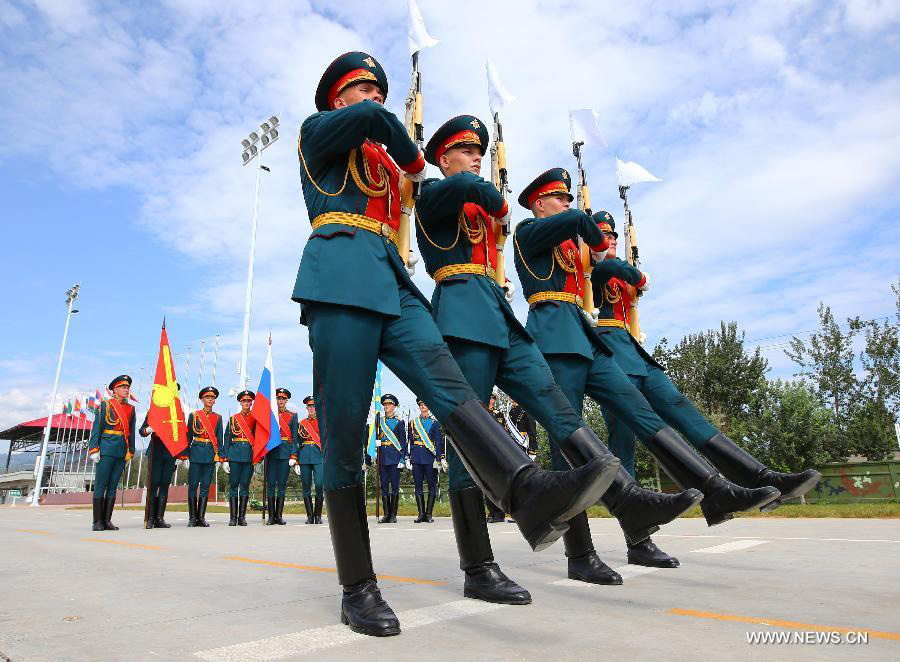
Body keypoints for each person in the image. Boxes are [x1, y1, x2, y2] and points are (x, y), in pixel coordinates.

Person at [293, 52, 615, 636]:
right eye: (359, 87)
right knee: (343, 430)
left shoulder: (384, 162)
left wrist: (414, 169)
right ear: (337, 98)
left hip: (394, 282)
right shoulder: (318, 132)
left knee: (454, 390)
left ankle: (528, 488)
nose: (371, 94)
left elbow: (442, 194)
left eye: (376, 87)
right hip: (339, 275)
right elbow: (390, 135)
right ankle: (357, 587)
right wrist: (416, 159)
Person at [415, 118, 700, 597]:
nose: (475, 157)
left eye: (479, 151)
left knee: (561, 413)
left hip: (501, 319)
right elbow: (465, 188)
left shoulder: (480, 209)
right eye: (466, 150)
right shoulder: (433, 196)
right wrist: (492, 191)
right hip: (462, 319)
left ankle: (624, 506)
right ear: (442, 159)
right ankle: (477, 566)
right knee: (471, 440)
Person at [513, 167, 781, 578]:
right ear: (538, 202)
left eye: (569, 197)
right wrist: (594, 233)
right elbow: (582, 229)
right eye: (559, 197)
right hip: (553, 337)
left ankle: (718, 490)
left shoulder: (570, 242)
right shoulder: (527, 230)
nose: (566, 203)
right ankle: (580, 555)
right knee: (569, 446)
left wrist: (609, 254)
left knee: (643, 414)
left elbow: (605, 264)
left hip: (586, 338)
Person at [590, 211, 822, 565]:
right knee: (625, 445)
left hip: (633, 349)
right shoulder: (593, 266)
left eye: (613, 237)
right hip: (608, 353)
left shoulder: (618, 270)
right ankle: (638, 540)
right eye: (602, 236)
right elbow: (617, 275)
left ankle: (762, 476)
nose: (610, 241)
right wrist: (636, 273)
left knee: (685, 412)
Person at [88, 375, 136, 531]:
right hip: (106, 449)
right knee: (101, 485)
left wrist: (131, 451)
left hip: (121, 451)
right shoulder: (105, 406)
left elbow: (131, 433)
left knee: (113, 486)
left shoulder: (131, 409)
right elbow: (97, 429)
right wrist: (94, 449)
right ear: (115, 390)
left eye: (128, 387)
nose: (126, 390)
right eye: (124, 387)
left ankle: (107, 520)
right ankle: (97, 522)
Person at [139, 385, 188, 529]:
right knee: (154, 484)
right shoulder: (154, 411)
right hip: (156, 451)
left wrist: (181, 455)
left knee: (165, 485)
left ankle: (160, 518)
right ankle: (150, 518)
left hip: (170, 453)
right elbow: (141, 431)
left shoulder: (178, 413)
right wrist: (148, 429)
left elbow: (181, 435)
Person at [185, 386, 223, 528]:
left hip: (210, 455)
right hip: (196, 453)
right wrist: (184, 455)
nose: (210, 399)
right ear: (202, 399)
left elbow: (219, 439)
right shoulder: (194, 416)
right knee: (193, 486)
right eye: (207, 397)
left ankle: (201, 517)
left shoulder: (218, 418)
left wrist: (220, 456)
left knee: (206, 486)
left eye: (212, 398)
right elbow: (188, 438)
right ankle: (192, 518)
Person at [222, 390, 256, 526]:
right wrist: (225, 459)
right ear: (240, 402)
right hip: (235, 456)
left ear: (251, 402)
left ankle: (242, 517)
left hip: (249, 456)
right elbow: (227, 439)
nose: (246, 403)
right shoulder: (233, 419)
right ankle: (232, 517)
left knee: (244, 487)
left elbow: (259, 438)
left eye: (249, 401)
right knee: (233, 486)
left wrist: (258, 456)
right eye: (244, 401)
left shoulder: (255, 419)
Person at [409, 399, 444, 523]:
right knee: (418, 486)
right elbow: (410, 441)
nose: (423, 406)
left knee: (431, 485)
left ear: (428, 407)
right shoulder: (413, 422)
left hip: (429, 458)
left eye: (425, 404)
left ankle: (429, 514)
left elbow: (439, 442)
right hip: (416, 457)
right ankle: (421, 514)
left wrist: (439, 459)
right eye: (421, 405)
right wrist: (408, 457)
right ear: (419, 407)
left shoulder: (435, 423)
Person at [375, 394, 407, 524]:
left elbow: (403, 442)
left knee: (394, 486)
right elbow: (372, 436)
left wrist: (403, 459)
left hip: (394, 457)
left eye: (389, 405)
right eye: (385, 405)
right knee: (384, 486)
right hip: (382, 457)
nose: (386, 406)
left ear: (394, 406)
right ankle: (386, 514)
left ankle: (393, 514)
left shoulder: (399, 422)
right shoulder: (379, 420)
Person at [296, 395, 324, 524]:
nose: (312, 408)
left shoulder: (324, 422)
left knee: (319, 484)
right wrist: (296, 460)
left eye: (314, 406)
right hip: (304, 456)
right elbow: (296, 443)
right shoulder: (302, 423)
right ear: (307, 408)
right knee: (306, 486)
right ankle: (309, 516)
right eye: (310, 406)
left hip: (319, 456)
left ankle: (318, 515)